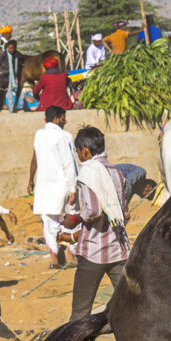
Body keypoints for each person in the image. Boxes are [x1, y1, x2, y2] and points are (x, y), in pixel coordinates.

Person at [61, 126, 129, 321]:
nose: (78, 156)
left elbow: (92, 211)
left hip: (93, 251)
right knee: (129, 303)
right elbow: (123, 213)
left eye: (77, 152)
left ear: (85, 151)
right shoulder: (116, 172)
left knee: (80, 312)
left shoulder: (87, 173)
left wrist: (73, 219)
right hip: (118, 249)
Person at [27, 105, 78, 268]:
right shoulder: (65, 136)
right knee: (71, 219)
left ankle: (54, 259)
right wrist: (73, 188)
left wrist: (30, 180)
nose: (65, 121)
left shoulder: (39, 135)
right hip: (63, 185)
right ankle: (70, 257)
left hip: (45, 188)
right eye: (64, 118)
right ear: (56, 119)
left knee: (49, 223)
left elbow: (35, 159)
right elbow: (69, 163)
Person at [0, 39, 24, 114]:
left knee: (2, 98)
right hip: (0, 79)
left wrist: (22, 63)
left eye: (12, 48)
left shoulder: (17, 54)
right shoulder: (4, 54)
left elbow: (22, 58)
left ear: (15, 48)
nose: (10, 50)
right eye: (9, 48)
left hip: (8, 80)